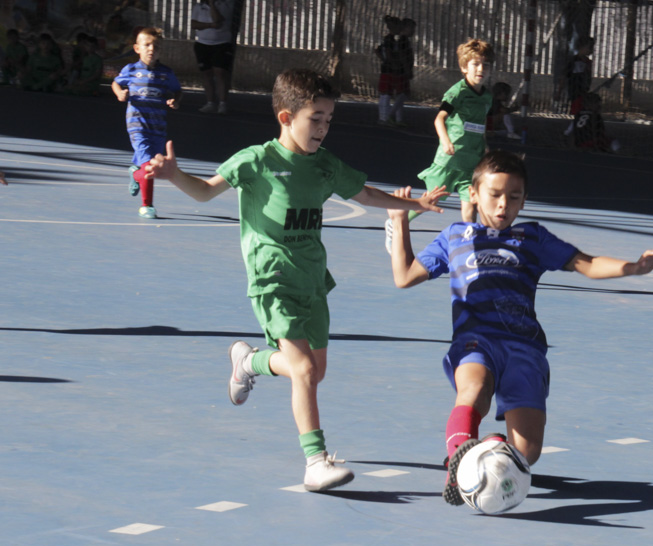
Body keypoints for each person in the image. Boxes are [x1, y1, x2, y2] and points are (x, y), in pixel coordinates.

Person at [145, 68, 447, 491]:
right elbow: (205, 191)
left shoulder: (324, 167)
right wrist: (175, 175)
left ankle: (248, 361)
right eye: (315, 119)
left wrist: (415, 202)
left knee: (313, 372)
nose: (323, 128)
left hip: (312, 281)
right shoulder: (256, 161)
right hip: (272, 282)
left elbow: (364, 194)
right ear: (286, 118)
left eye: (328, 119)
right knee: (304, 369)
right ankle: (315, 462)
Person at [384, 149, 653, 507]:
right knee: (473, 390)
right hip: (477, 339)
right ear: (473, 194)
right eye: (495, 195)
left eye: (514, 197)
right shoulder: (455, 236)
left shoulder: (533, 238)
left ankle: (486, 448)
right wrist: (399, 222)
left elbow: (586, 263)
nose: (503, 204)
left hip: (524, 348)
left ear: (523, 201)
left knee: (527, 453)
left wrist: (634, 267)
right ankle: (459, 463)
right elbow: (405, 276)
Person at [416, 38, 494, 224]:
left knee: (470, 202)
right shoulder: (457, 92)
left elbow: (481, 123)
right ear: (464, 67)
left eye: (486, 65)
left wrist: (485, 146)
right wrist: (446, 141)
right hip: (451, 159)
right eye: (475, 64)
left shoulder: (487, 97)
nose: (481, 69)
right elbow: (439, 118)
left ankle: (469, 235)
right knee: (432, 199)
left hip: (471, 158)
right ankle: (399, 219)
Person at [112, 27, 182, 219]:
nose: (152, 49)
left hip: (158, 127)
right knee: (150, 165)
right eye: (147, 45)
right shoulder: (131, 70)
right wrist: (120, 93)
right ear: (137, 48)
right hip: (137, 126)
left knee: (147, 166)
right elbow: (116, 83)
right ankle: (147, 205)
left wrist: (175, 101)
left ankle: (135, 173)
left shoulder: (166, 73)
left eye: (156, 46)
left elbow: (177, 90)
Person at [191, 0, 236, 114]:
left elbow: (218, 21)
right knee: (206, 73)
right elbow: (194, 24)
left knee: (220, 72)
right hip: (202, 44)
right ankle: (210, 102)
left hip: (221, 44)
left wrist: (211, 5)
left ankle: (222, 103)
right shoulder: (198, 6)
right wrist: (210, 25)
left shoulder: (226, 4)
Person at [375, 15, 415, 127]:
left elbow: (378, 50)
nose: (413, 31)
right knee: (391, 94)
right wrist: (392, 63)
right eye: (411, 28)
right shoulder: (393, 39)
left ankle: (396, 119)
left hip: (395, 70)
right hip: (393, 71)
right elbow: (396, 54)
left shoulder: (396, 39)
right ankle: (386, 117)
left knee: (397, 94)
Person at [555, 35, 595, 139]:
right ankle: (569, 132)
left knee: (583, 112)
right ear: (581, 47)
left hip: (584, 91)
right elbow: (564, 77)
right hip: (576, 91)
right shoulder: (574, 61)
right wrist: (559, 92)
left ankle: (577, 131)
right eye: (589, 47)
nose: (591, 50)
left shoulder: (587, 62)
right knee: (580, 112)